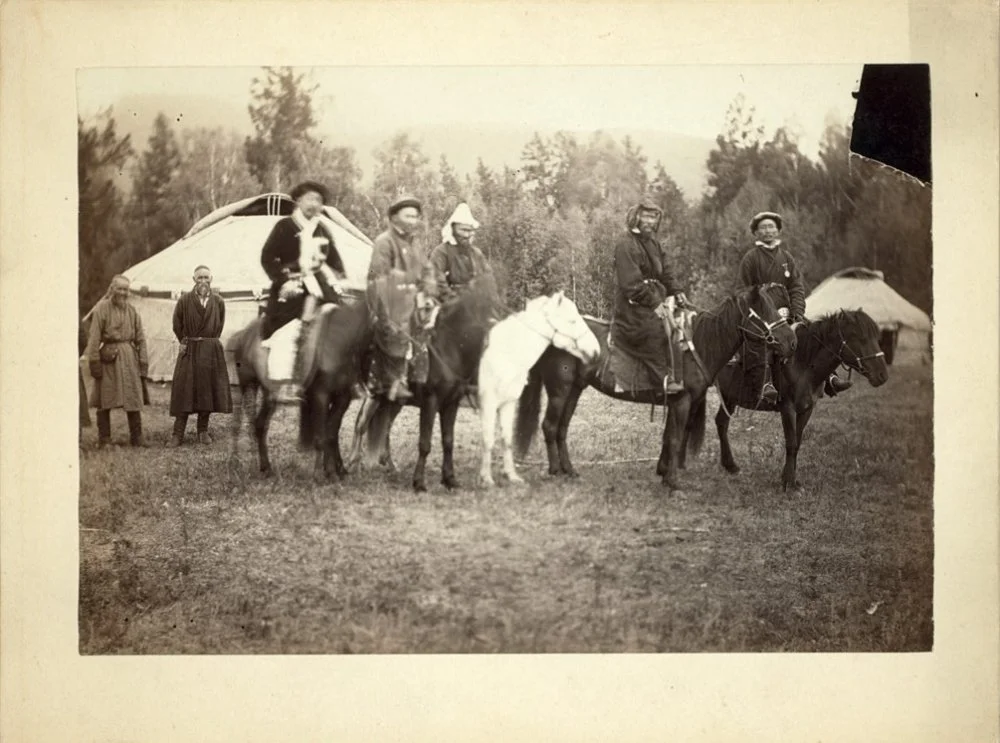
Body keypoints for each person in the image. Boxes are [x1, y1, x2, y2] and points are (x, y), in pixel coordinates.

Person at [738, 211, 852, 404]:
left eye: (771, 227)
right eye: (763, 228)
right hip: (762, 315)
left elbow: (796, 287)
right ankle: (767, 385)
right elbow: (744, 291)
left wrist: (797, 312)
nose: (768, 231)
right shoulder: (750, 259)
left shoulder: (786, 257)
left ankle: (830, 378)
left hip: (788, 311)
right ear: (756, 233)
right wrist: (768, 312)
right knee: (765, 340)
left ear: (778, 231)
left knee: (814, 335)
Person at [259, 180, 347, 402]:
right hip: (292, 286)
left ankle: (342, 380)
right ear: (298, 200)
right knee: (291, 329)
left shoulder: (322, 229)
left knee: (344, 324)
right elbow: (268, 257)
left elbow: (336, 262)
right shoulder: (284, 226)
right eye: (310, 198)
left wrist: (337, 278)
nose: (314, 204)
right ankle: (286, 385)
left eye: (318, 200)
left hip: (322, 287)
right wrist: (283, 280)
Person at [611, 201, 689, 396]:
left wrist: (676, 291)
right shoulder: (625, 244)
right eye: (645, 216)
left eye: (653, 217)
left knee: (686, 322)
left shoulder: (654, 244)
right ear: (635, 217)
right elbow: (630, 284)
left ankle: (684, 374)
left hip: (655, 298)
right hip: (633, 304)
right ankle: (661, 380)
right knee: (655, 329)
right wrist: (655, 303)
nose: (650, 221)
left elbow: (666, 273)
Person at [366, 195, 438, 401]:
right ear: (394, 217)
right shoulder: (384, 241)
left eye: (415, 217)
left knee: (433, 323)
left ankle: (420, 377)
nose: (413, 221)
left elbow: (427, 270)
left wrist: (428, 292)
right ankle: (389, 380)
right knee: (395, 327)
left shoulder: (413, 243)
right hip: (387, 299)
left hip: (411, 299)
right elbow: (379, 277)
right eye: (408, 216)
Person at [167, 265, 233, 446]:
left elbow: (219, 325)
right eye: (199, 278)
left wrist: (209, 341)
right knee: (184, 390)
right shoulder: (184, 300)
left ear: (211, 279)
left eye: (206, 277)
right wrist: (185, 340)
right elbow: (176, 324)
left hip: (210, 351)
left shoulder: (218, 301)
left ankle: (203, 431)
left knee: (207, 391)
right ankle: (177, 434)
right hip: (190, 349)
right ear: (193, 279)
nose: (203, 281)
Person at [85, 275, 150, 447]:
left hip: (129, 358)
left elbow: (141, 339)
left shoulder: (132, 311)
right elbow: (94, 337)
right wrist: (94, 361)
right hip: (109, 358)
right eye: (119, 288)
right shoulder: (102, 309)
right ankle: (104, 439)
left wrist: (143, 362)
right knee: (104, 398)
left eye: (126, 289)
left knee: (133, 397)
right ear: (112, 289)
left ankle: (137, 437)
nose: (123, 292)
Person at [429, 202, 496, 304]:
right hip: (447, 303)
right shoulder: (441, 251)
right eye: (463, 230)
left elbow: (488, 277)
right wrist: (453, 301)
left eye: (470, 231)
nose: (467, 235)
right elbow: (437, 279)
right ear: (453, 230)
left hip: (474, 302)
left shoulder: (476, 253)